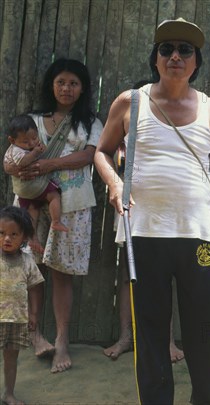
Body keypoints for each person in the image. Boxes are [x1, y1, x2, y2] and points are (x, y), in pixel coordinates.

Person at [94, 18, 210, 404]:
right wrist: (114, 183)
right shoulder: (131, 102)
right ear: (156, 59)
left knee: (207, 329)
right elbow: (101, 151)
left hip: (198, 234)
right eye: (167, 49)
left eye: (185, 50)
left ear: (196, 62)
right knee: (151, 330)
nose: (175, 56)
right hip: (145, 233)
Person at [3, 58, 103, 373]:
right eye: (61, 82)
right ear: (52, 84)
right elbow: (12, 157)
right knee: (28, 269)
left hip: (71, 203)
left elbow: (89, 155)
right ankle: (34, 334)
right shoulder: (31, 120)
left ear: (83, 88)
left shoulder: (90, 122)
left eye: (74, 83)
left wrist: (49, 165)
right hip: (30, 202)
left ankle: (61, 339)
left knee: (62, 272)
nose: (66, 88)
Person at [102, 79, 184, 363]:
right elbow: (106, 157)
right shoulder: (125, 125)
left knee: (167, 274)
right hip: (131, 206)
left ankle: (167, 340)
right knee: (128, 274)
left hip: (167, 209)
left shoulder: (176, 125)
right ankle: (127, 336)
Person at [4, 115, 69, 253]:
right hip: (31, 185)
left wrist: (40, 148)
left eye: (34, 138)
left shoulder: (25, 145)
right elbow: (23, 162)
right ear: (12, 140)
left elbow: (42, 150)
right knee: (54, 196)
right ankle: (56, 221)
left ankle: (33, 239)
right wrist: (35, 152)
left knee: (32, 213)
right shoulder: (15, 150)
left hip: (24, 192)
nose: (32, 143)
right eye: (26, 141)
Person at [0, 206, 45, 405]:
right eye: (1, 233)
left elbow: (35, 288)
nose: (7, 238)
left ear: (24, 237)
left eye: (13, 234)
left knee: (11, 360)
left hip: (17, 320)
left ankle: (9, 394)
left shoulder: (27, 262)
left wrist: (34, 314)